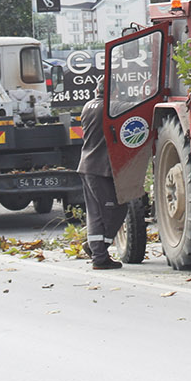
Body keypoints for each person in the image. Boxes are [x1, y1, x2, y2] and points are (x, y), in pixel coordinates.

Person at [77, 93, 122, 270]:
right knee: (115, 209)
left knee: (95, 212)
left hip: (87, 165)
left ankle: (97, 251)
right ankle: (99, 252)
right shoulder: (111, 107)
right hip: (101, 168)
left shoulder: (88, 106)